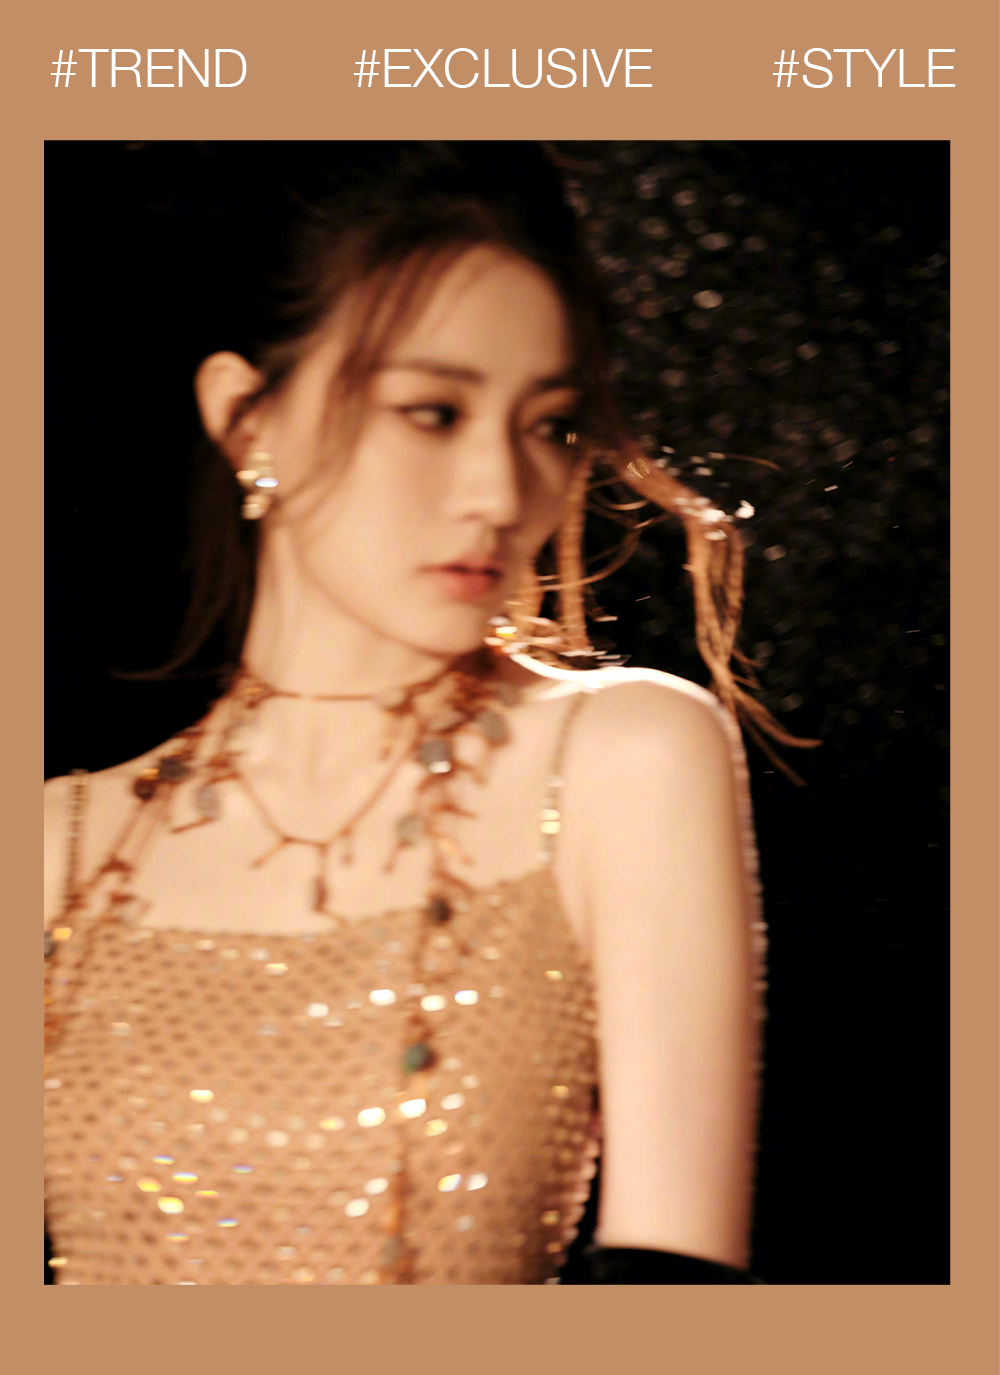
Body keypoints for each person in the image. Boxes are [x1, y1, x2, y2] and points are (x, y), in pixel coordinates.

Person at [43, 142, 808, 1285]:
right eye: (432, 412)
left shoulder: (620, 758)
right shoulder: (54, 849)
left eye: (549, 424)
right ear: (248, 420)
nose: (499, 492)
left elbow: (678, 1288)